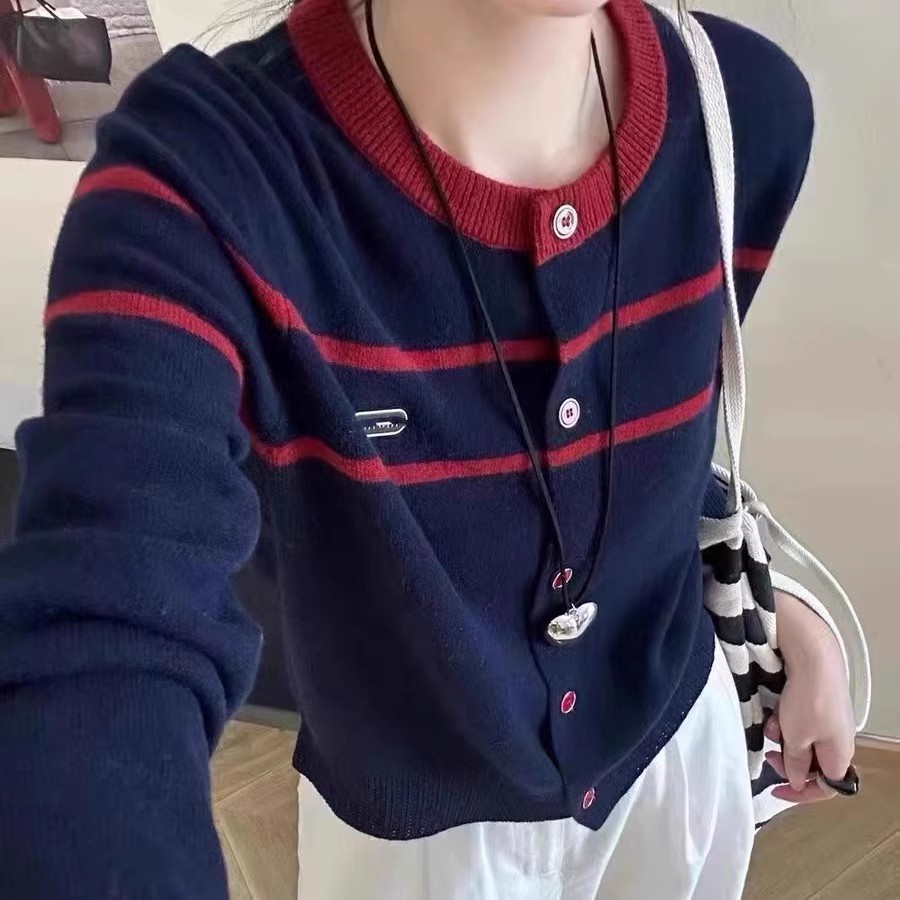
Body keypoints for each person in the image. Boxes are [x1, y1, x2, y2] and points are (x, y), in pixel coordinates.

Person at [0, 0, 857, 897]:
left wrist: (783, 610)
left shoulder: (746, 112)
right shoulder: (199, 184)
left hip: (678, 770)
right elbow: (104, 633)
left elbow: (648, 450)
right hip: (417, 838)